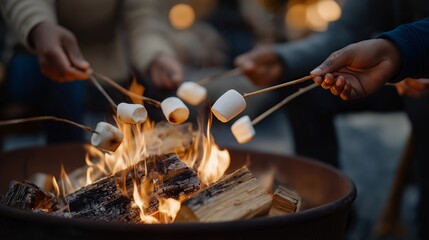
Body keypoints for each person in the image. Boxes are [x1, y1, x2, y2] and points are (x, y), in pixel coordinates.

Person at [234, 0, 429, 239]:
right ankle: (329, 217)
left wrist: (411, 55)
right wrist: (282, 58)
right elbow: (344, 32)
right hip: (399, 68)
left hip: (412, 72)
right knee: (308, 94)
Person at [0, 0, 184, 143]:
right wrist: (37, 26)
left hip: (107, 61)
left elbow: (143, 14)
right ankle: (65, 169)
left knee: (152, 96)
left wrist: (155, 55)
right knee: (66, 88)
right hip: (34, 52)